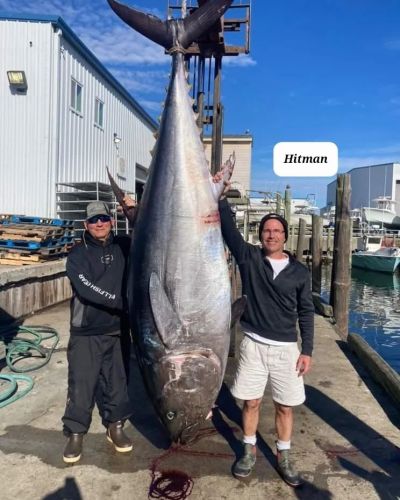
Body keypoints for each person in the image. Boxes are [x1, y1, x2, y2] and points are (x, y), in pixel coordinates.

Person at [217, 179, 314, 487]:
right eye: (267, 231)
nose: (272, 235)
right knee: (251, 402)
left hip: (287, 349)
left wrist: (307, 350)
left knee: (285, 406)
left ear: (285, 236)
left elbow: (306, 312)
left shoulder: (299, 272)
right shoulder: (249, 258)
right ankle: (249, 449)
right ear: (261, 235)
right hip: (253, 345)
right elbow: (229, 233)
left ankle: (283, 454)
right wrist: (219, 198)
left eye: (277, 231)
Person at [62, 200, 135, 464]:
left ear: (112, 221)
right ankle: (76, 432)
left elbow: (149, 232)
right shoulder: (77, 255)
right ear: (86, 225)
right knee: (82, 384)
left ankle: (115, 426)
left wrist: (133, 210)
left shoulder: (126, 246)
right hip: (86, 332)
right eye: (93, 220)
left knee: (117, 383)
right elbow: (86, 288)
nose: (99, 224)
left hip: (118, 330)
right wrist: (120, 301)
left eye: (104, 218)